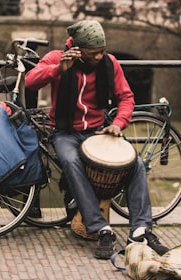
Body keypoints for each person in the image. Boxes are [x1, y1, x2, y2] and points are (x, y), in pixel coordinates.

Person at [24, 20, 169, 260]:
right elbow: (30, 81)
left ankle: (141, 229)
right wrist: (58, 69)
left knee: (136, 164)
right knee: (72, 162)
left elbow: (126, 97)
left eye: (102, 50)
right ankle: (101, 229)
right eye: (94, 53)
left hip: (98, 130)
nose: (100, 56)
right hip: (65, 132)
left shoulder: (110, 63)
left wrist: (118, 123)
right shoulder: (57, 57)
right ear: (79, 50)